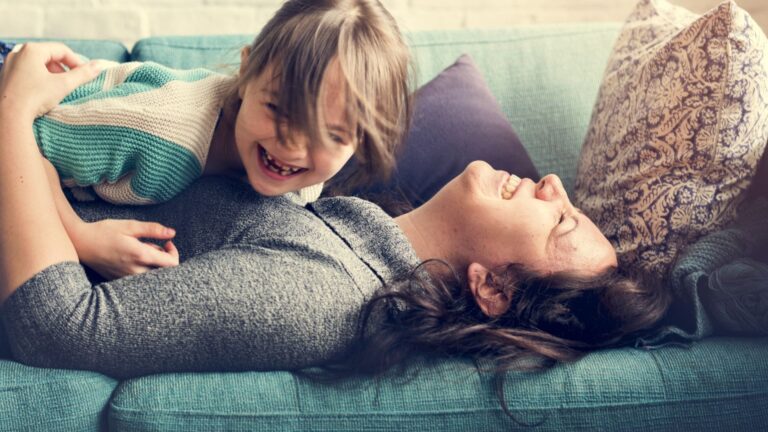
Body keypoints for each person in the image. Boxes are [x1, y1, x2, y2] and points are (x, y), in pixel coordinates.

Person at [0, 42, 669, 384]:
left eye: (561, 222)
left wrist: (13, 109)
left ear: (491, 288)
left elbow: (61, 331)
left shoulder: (322, 294)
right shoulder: (330, 211)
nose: (554, 183)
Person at [0, 0, 412, 281]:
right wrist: (80, 238)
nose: (293, 147)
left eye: (332, 135)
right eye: (277, 110)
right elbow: (20, 144)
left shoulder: (308, 180)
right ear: (247, 71)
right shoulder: (158, 132)